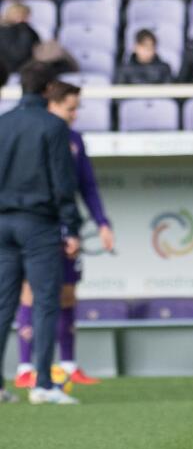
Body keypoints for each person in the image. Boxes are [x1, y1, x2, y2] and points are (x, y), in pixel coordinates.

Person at [12, 80, 115, 390]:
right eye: (71, 108)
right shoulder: (35, 134)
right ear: (53, 104)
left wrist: (102, 222)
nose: (75, 114)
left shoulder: (75, 140)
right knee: (30, 290)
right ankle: (25, 367)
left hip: (67, 226)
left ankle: (69, 365)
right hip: (37, 224)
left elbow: (87, 185)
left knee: (67, 292)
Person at [0, 62, 81, 405]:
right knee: (46, 303)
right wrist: (71, 227)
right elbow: (63, 182)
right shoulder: (53, 125)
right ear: (49, 89)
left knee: (3, 305)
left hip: (3, 224)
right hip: (39, 224)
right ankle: (44, 384)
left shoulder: (3, 123)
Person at [0, 3, 41, 71]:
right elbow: (18, 53)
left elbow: (38, 43)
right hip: (13, 68)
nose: (27, 19)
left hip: (27, 65)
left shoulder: (26, 28)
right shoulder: (5, 30)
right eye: (24, 15)